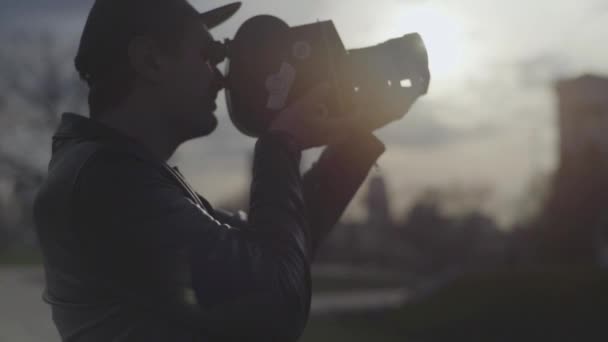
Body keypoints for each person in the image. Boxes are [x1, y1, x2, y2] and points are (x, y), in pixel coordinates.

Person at [33, 0, 422, 341]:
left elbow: (275, 248)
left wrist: (353, 140)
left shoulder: (115, 174)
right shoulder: (104, 185)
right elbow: (273, 299)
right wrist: (280, 144)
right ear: (150, 60)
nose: (221, 78)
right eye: (206, 56)